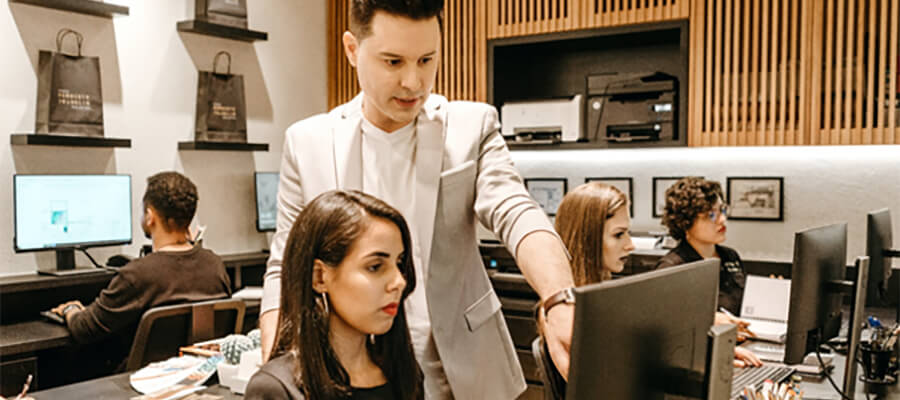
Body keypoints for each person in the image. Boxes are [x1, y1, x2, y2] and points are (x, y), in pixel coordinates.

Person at [259, 1, 576, 398]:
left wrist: (559, 297)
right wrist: (277, 367)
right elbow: (285, 267)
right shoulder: (308, 144)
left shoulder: (469, 127)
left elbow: (516, 211)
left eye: (427, 60)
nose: (414, 82)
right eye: (393, 62)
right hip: (361, 374)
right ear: (352, 50)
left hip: (467, 372)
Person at [245, 190, 423, 400]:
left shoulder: (402, 373)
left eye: (399, 264)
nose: (399, 282)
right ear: (319, 277)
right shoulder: (277, 389)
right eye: (375, 267)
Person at [49, 172, 232, 373]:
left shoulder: (138, 275)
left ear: (150, 216)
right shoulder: (214, 265)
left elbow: (85, 329)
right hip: (199, 377)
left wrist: (71, 310)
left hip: (145, 383)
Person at [537, 182, 636, 399]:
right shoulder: (564, 314)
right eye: (619, 235)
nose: (630, 245)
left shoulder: (605, 297)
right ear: (588, 238)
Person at [655, 176, 762, 368]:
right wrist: (708, 321)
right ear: (685, 222)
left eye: (722, 210)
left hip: (743, 348)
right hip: (700, 360)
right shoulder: (671, 267)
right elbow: (664, 330)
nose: (722, 219)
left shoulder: (730, 256)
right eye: (711, 215)